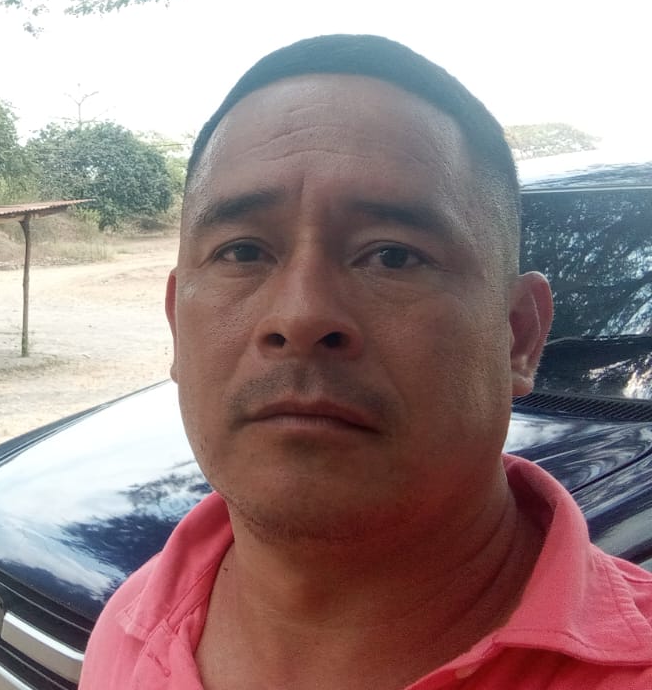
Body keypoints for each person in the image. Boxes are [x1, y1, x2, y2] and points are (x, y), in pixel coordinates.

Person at [79, 34, 652, 689]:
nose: (300, 316)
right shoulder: (132, 621)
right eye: (242, 252)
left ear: (518, 336)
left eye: (393, 256)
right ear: (178, 324)